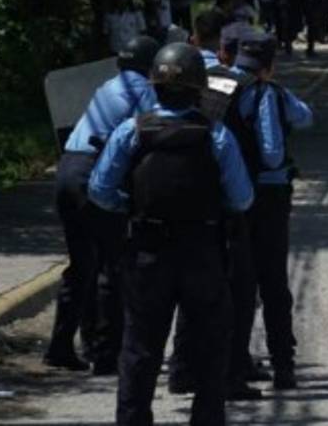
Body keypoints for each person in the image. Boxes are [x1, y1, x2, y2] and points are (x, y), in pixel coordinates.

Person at [88, 43, 253, 426]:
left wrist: (130, 207)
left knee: (139, 351)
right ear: (199, 89)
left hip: (148, 253)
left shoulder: (133, 132)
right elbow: (242, 198)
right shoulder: (216, 136)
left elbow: (99, 190)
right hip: (203, 253)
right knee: (211, 349)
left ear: (154, 87)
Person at [45, 36, 160, 375]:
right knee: (114, 263)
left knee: (82, 265)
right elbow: (146, 139)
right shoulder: (145, 92)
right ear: (150, 66)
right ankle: (106, 353)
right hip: (94, 173)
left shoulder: (107, 86)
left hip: (67, 170)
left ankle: (62, 346)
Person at [229, 32, 314, 391]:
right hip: (268, 195)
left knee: (236, 283)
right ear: (270, 64)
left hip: (229, 197)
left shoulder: (217, 87)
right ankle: (283, 367)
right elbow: (276, 149)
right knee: (273, 284)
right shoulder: (268, 94)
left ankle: (235, 364)